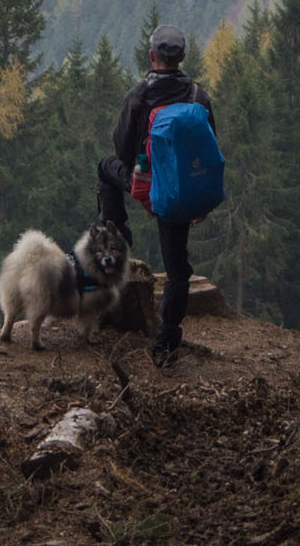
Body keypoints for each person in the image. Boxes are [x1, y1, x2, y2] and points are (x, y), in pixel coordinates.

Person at [96, 23, 214, 368]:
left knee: (105, 168)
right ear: (183, 57)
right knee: (178, 270)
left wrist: (141, 173)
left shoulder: (138, 95)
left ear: (151, 57)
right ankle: (166, 345)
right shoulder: (198, 95)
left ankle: (117, 238)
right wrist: (199, 197)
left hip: (144, 187)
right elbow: (209, 149)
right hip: (179, 196)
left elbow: (120, 148)